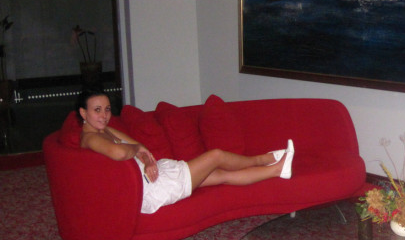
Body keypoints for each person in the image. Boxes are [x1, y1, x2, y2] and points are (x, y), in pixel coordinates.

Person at [76, 89, 294, 214]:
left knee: (221, 175)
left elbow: (141, 147)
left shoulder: (104, 130)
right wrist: (135, 150)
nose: (104, 115)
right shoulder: (91, 138)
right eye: (97, 110)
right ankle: (264, 158)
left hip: (153, 175)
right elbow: (120, 153)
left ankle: (276, 170)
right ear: (83, 113)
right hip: (152, 189)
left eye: (107, 109)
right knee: (216, 156)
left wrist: (146, 159)